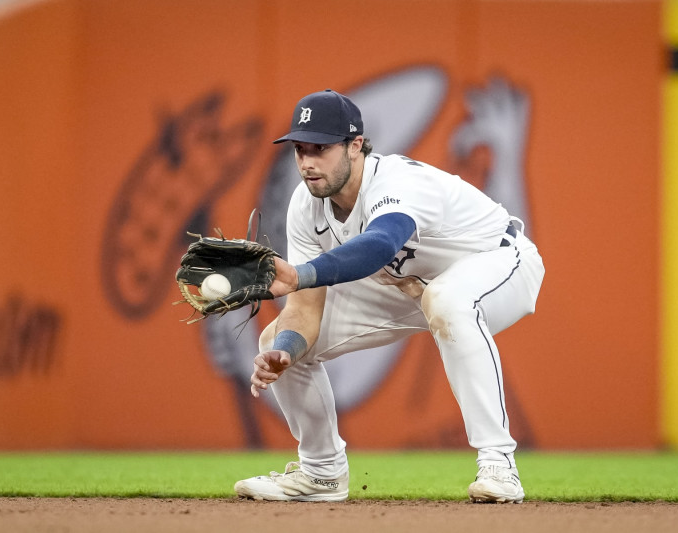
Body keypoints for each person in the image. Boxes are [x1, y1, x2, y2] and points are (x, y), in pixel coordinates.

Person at [233, 89, 545, 503]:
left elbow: (380, 243)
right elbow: (305, 307)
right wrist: (287, 352)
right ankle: (321, 474)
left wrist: (303, 273)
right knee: (274, 338)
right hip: (406, 285)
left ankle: (499, 466)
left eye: (321, 148)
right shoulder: (306, 204)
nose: (307, 162)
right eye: (300, 149)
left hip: (500, 262)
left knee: (449, 301)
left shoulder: (396, 181)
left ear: (355, 145)